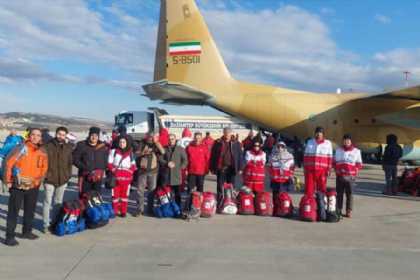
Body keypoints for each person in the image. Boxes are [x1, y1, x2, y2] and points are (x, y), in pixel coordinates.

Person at [3, 128, 48, 246]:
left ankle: (26, 232)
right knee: (13, 211)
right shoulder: (21, 148)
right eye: (33, 134)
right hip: (18, 185)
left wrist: (38, 181)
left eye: (38, 135)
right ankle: (9, 236)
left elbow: (44, 168)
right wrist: (7, 180)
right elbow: (9, 163)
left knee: (30, 210)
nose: (35, 137)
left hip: (33, 186)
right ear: (29, 136)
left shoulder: (42, 151)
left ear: (41, 138)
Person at [42, 127, 73, 233]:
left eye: (63, 135)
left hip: (63, 179)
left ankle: (54, 222)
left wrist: (68, 176)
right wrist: (45, 176)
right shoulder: (48, 146)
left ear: (66, 136)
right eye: (59, 134)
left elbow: (70, 163)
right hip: (49, 179)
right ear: (56, 134)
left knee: (58, 202)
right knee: (47, 202)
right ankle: (46, 224)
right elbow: (43, 162)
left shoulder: (68, 147)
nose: (61, 136)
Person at [210, 128, 244, 206]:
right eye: (225, 133)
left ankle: (231, 202)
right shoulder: (217, 142)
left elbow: (240, 156)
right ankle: (219, 202)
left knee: (232, 186)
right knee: (220, 186)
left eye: (228, 133)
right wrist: (211, 168)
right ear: (223, 133)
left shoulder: (236, 143)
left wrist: (240, 168)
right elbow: (213, 156)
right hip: (221, 167)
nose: (227, 135)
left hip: (232, 168)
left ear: (231, 133)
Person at [134, 132, 164, 216]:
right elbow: (136, 154)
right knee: (140, 191)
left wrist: (156, 142)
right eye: (149, 137)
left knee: (151, 191)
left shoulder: (156, 144)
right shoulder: (142, 143)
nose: (150, 138)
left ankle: (150, 209)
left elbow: (163, 152)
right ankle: (140, 209)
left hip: (153, 171)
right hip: (142, 171)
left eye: (152, 137)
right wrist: (143, 153)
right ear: (146, 137)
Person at [333, 134, 362, 218]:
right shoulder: (338, 150)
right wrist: (336, 169)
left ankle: (348, 210)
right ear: (343, 141)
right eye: (345, 140)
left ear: (351, 141)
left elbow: (359, 164)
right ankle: (338, 209)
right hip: (340, 176)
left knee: (350, 194)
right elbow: (334, 162)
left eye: (348, 140)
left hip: (350, 177)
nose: (346, 142)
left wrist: (354, 171)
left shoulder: (356, 151)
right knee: (339, 194)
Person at [73, 127, 108, 195]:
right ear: (89, 135)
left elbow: (105, 160)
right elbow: (75, 159)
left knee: (96, 197)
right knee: (84, 196)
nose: (94, 137)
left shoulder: (102, 146)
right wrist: (84, 167)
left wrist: (103, 169)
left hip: (98, 178)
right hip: (85, 176)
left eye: (96, 136)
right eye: (92, 135)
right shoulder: (82, 145)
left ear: (98, 137)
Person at [107, 136, 136, 217]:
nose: (122, 144)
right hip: (115, 179)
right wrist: (114, 171)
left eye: (124, 142)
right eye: (120, 142)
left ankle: (123, 211)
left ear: (126, 143)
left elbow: (133, 165)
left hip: (127, 179)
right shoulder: (113, 151)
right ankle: (115, 211)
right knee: (115, 196)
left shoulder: (130, 153)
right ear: (118, 143)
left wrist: (130, 172)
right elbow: (109, 163)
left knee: (124, 196)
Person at [303, 126, 333, 197]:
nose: (318, 134)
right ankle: (310, 205)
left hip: (322, 170)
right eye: (317, 133)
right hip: (310, 170)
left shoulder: (328, 143)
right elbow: (306, 156)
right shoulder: (310, 142)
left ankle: (321, 205)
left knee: (321, 189)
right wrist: (305, 168)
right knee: (309, 189)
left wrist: (329, 169)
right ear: (315, 134)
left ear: (323, 134)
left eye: (320, 133)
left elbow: (330, 157)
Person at [159, 134, 188, 204]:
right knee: (166, 193)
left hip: (176, 175)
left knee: (177, 193)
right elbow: (160, 158)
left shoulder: (180, 149)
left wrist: (180, 167)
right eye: (169, 139)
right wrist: (167, 163)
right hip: (166, 175)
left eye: (172, 139)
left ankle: (178, 207)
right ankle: (167, 207)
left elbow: (185, 160)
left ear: (175, 140)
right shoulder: (164, 148)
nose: (171, 140)